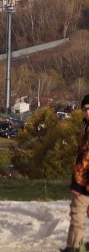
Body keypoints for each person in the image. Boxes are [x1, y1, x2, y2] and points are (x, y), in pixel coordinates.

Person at [64, 94, 89, 252]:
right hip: (83, 177)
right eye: (85, 109)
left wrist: (78, 182)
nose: (88, 112)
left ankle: (74, 247)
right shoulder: (85, 125)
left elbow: (85, 157)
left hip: (84, 180)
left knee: (77, 213)